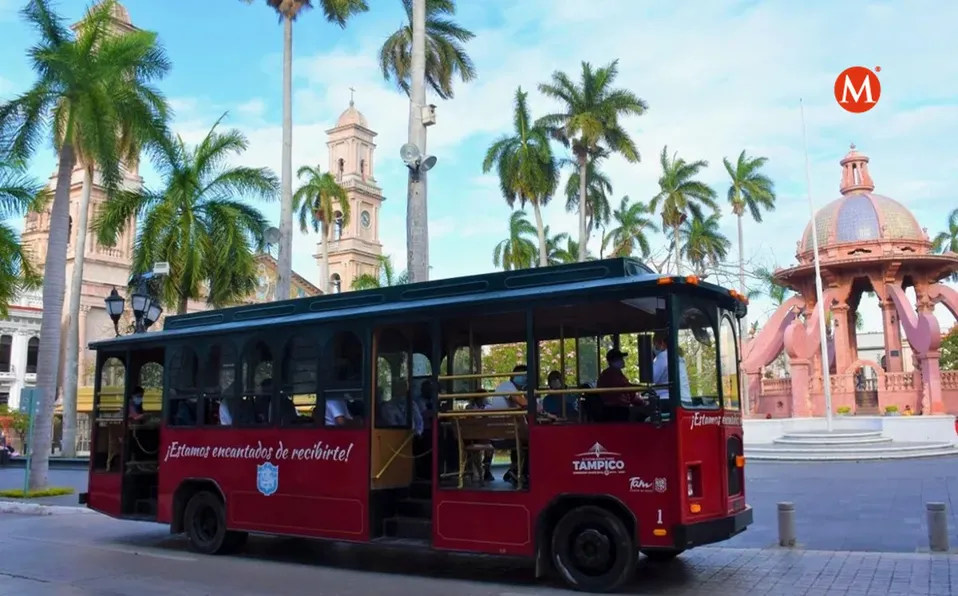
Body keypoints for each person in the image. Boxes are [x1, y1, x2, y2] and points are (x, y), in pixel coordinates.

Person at [651, 331, 692, 405]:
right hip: (686, 400)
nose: (653, 347)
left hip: (668, 400)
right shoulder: (678, 357)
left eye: (654, 344)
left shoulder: (664, 356)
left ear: (662, 343)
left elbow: (651, 378)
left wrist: (650, 359)